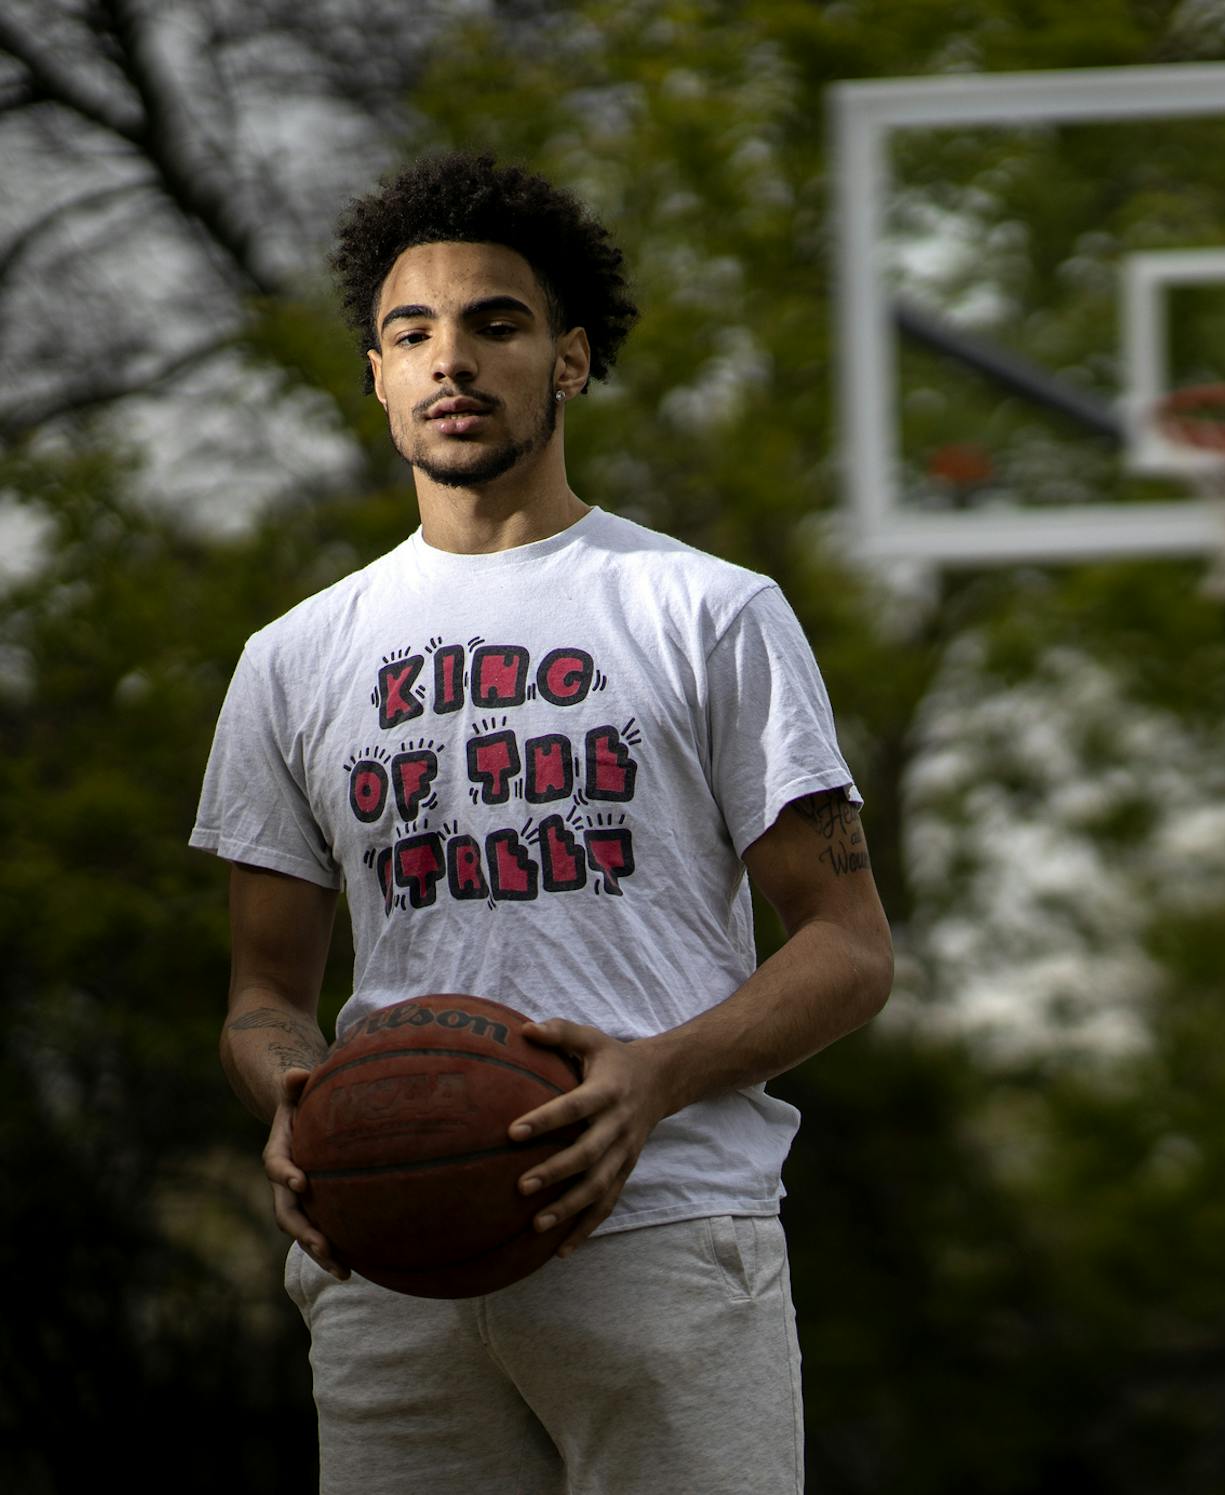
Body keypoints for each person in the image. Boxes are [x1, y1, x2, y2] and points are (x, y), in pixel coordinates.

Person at [190, 151, 891, 1494]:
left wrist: (654, 1077)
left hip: (662, 1226)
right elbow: (264, 996)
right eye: (412, 334)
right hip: (392, 1258)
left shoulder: (705, 611)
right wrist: (299, 1104)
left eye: (495, 324)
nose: (450, 360)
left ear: (569, 361)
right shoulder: (294, 657)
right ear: (377, 375)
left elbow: (850, 947)